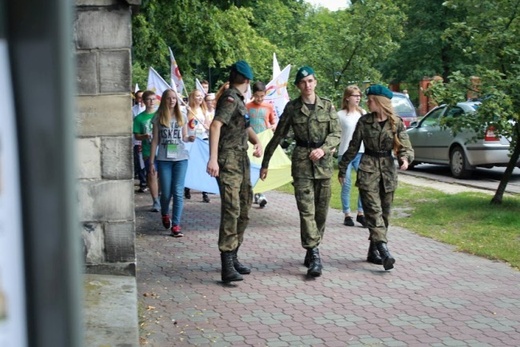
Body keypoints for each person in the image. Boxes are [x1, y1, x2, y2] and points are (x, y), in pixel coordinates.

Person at [260, 66, 341, 278]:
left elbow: (336, 133)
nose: (308, 85)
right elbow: (278, 136)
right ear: (298, 86)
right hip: (302, 163)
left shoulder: (327, 105)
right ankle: (314, 253)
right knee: (306, 211)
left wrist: (323, 150)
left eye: (311, 81)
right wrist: (265, 162)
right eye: (303, 82)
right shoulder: (292, 108)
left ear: (315, 83)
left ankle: (313, 245)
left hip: (323, 164)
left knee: (321, 212)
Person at [338, 84, 414, 271]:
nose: (367, 102)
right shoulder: (364, 122)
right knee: (373, 212)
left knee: (385, 214)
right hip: (368, 169)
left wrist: (405, 158)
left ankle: (373, 250)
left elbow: (406, 146)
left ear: (380, 102)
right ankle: (384, 250)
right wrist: (342, 168)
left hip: (387, 170)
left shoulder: (396, 122)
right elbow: (353, 147)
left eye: (370, 100)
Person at [206, 60, 262, 283]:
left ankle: (234, 254)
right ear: (247, 80)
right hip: (228, 159)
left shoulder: (239, 100)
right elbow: (215, 125)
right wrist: (213, 159)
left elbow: (245, 126)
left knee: (245, 207)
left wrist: (257, 142)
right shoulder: (230, 98)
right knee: (232, 208)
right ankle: (227, 262)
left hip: (241, 159)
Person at [149, 89, 195, 237]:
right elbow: (155, 140)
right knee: (166, 193)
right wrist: (151, 162)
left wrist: (190, 139)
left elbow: (184, 137)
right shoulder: (158, 117)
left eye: (174, 98)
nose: (172, 101)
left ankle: (176, 225)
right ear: (164, 100)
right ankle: (164, 213)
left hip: (181, 158)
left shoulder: (181, 116)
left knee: (178, 191)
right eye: (169, 98)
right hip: (164, 159)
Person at [337, 85, 368, 228]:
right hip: (345, 153)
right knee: (347, 183)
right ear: (347, 97)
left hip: (361, 152)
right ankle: (347, 214)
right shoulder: (340, 115)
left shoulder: (363, 113)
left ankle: (361, 213)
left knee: (363, 183)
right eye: (355, 96)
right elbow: (336, 134)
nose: (358, 98)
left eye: (359, 96)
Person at [246, 81, 277, 208]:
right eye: (257, 96)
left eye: (262, 96)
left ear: (265, 94)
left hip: (263, 140)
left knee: (261, 166)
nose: (259, 99)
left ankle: (260, 193)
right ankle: (254, 192)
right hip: (250, 141)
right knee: (251, 166)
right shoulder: (247, 106)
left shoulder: (268, 106)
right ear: (253, 94)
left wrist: (273, 126)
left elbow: (273, 121)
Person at [133, 90, 160, 212]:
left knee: (162, 176)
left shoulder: (161, 114)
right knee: (152, 174)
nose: (152, 102)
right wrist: (146, 136)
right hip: (148, 150)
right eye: (149, 99)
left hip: (163, 149)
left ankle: (160, 195)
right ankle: (155, 201)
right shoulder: (139, 118)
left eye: (154, 99)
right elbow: (136, 136)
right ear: (144, 101)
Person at [185, 89, 212, 203]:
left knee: (203, 165)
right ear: (193, 97)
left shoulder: (204, 110)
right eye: (197, 96)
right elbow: (186, 125)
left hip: (202, 139)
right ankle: (187, 187)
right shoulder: (187, 110)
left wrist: (207, 128)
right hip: (192, 140)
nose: (200, 98)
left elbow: (208, 124)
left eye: (201, 96)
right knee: (191, 165)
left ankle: (204, 191)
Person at [132, 90, 147, 192]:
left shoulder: (150, 109)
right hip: (138, 140)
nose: (141, 100)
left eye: (143, 97)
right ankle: (143, 182)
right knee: (140, 161)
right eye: (139, 97)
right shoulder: (133, 110)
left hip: (149, 140)